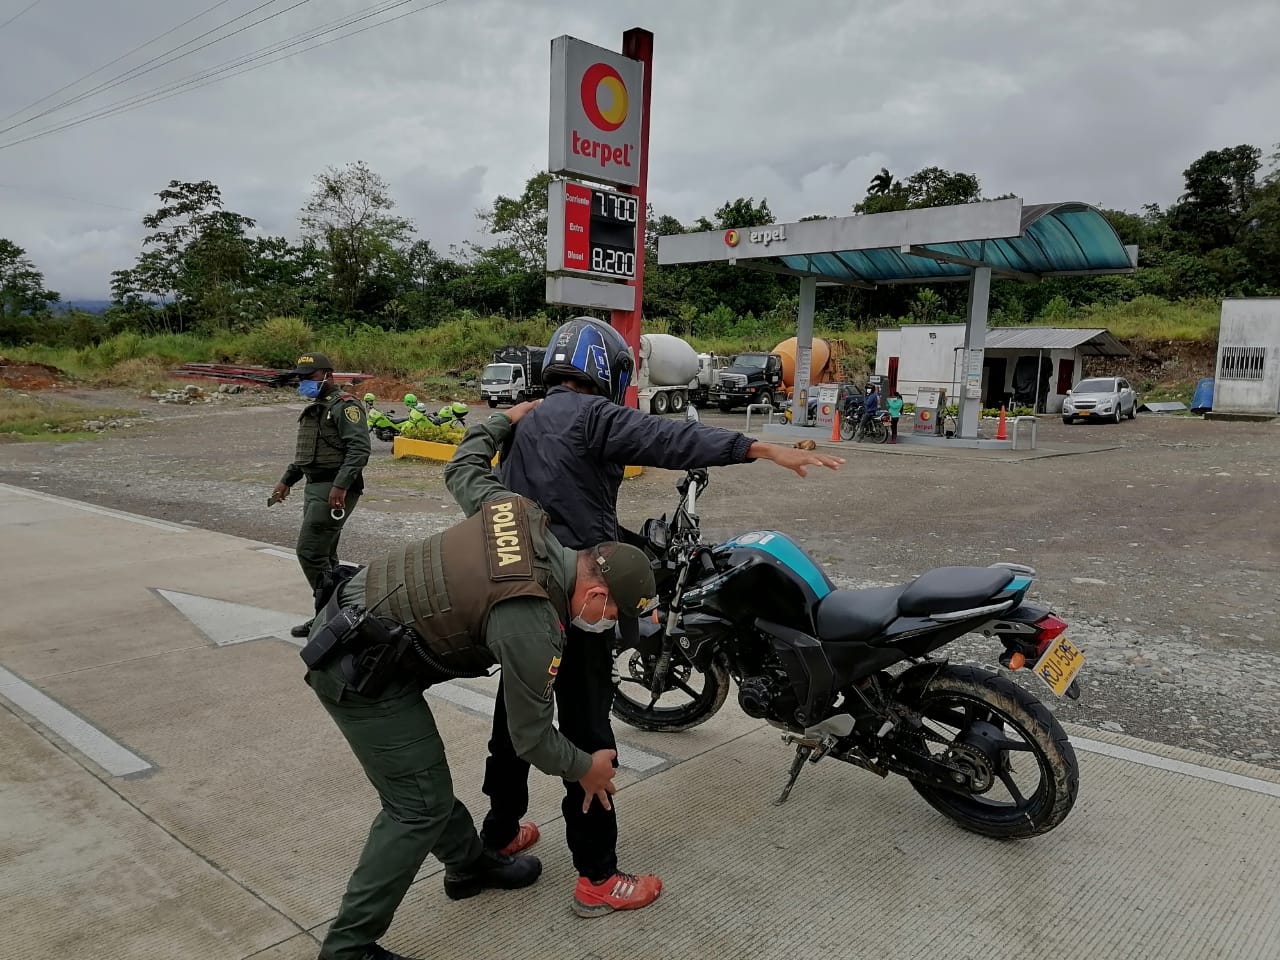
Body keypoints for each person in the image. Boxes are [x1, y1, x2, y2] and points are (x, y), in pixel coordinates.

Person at [447, 316, 844, 919]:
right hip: (574, 603)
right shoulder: (594, 415)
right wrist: (759, 447)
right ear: (606, 370)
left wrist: (623, 536)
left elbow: (558, 506)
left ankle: (499, 833)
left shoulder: (527, 420)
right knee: (588, 735)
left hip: (518, 594)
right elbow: (668, 440)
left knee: (514, 718)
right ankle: (598, 877)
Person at [304, 399, 656, 960]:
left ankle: (469, 867)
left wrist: (502, 420)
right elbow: (531, 736)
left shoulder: (520, 513)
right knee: (416, 807)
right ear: (593, 594)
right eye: (614, 614)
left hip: (364, 631)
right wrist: (585, 766)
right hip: (358, 672)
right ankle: (349, 947)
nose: (609, 624)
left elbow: (462, 467)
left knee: (427, 786)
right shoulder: (533, 621)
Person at [271, 352, 370, 638]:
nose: (304, 382)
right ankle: (331, 616)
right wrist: (287, 480)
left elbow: (359, 449)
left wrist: (340, 486)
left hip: (334, 489)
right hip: (316, 486)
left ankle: (333, 615)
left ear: (328, 374)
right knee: (326, 556)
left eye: (310, 377)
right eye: (301, 378)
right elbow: (308, 453)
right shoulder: (319, 407)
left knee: (310, 552)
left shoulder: (344, 406)